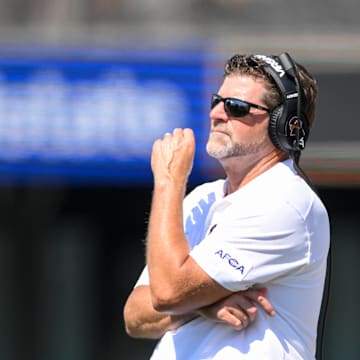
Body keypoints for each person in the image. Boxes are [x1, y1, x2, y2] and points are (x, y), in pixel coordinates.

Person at [123, 52, 330, 359]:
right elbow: (135, 316)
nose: (217, 114)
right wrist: (205, 304)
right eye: (216, 101)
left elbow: (167, 293)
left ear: (282, 125)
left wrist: (168, 181)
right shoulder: (202, 197)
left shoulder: (284, 201)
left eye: (236, 107)